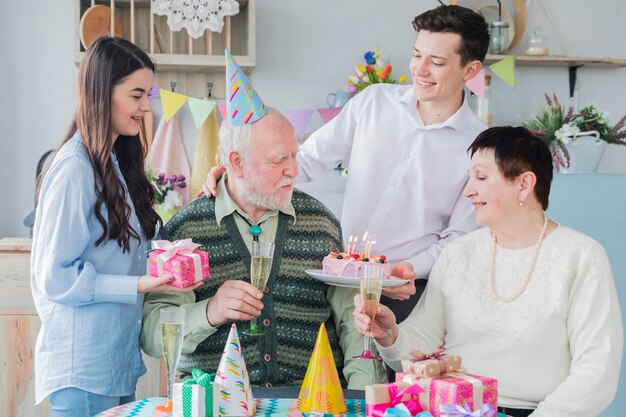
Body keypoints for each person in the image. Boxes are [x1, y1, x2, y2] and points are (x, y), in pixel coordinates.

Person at [202, 5, 491, 323]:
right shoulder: (374, 102)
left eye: (436, 62)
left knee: (398, 371)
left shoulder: (479, 146)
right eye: (417, 55)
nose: (420, 70)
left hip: (409, 293)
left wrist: (404, 270)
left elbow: (460, 237)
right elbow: (308, 160)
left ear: (470, 70)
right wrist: (239, 176)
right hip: (343, 283)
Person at [354, 126, 623, 417]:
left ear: (524, 184)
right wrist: (389, 335)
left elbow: (597, 370)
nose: (469, 190)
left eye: (481, 177)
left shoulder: (581, 255)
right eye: (470, 177)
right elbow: (422, 343)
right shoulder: (458, 253)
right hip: (451, 408)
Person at [141, 107, 387, 388]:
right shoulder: (185, 231)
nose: (293, 170)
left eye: (294, 155)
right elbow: (152, 336)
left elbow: (355, 326)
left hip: (312, 402)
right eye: (279, 159)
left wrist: (364, 399)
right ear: (236, 163)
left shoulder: (321, 223)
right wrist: (210, 311)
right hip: (216, 402)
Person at [30, 36, 198, 417]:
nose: (146, 106)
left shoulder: (115, 165)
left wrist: (173, 259)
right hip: (83, 369)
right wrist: (138, 284)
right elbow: (54, 277)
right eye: (136, 94)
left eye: (148, 94)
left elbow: (128, 250)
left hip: (115, 363)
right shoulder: (75, 169)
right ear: (102, 92)